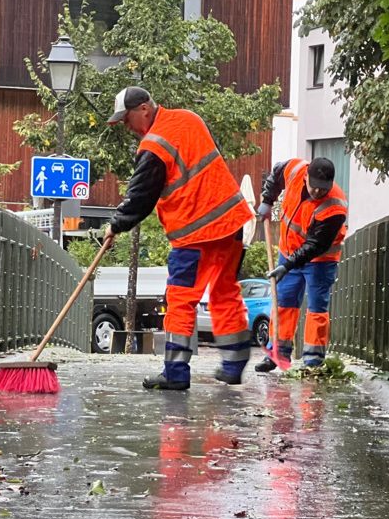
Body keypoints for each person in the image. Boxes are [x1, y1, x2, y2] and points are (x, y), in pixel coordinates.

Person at [104, 86, 253, 390]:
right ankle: (234, 364)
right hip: (232, 222)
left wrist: (115, 225)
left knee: (181, 299)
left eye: (127, 118)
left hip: (195, 234)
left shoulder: (155, 145)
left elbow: (140, 196)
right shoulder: (189, 119)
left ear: (144, 108)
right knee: (225, 293)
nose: (126, 126)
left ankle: (175, 372)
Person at [254, 157, 347, 371]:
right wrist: (268, 201)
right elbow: (276, 174)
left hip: (320, 260)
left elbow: (315, 245)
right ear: (306, 177)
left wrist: (287, 266)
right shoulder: (295, 170)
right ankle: (277, 353)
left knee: (316, 308)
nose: (317, 192)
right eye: (314, 187)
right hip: (288, 253)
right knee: (284, 303)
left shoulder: (335, 207)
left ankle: (313, 362)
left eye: (323, 189)